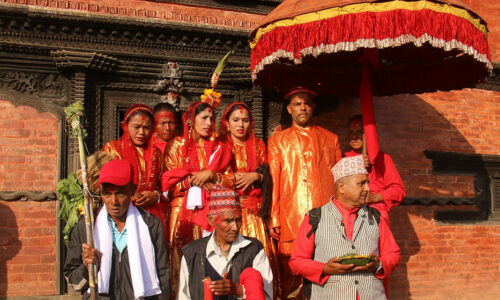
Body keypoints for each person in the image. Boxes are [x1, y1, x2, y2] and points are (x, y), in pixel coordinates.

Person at [289, 156, 401, 299]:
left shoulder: (375, 217)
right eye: (362, 183)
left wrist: (379, 264)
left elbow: (393, 254)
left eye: (367, 182)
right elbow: (296, 262)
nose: (368, 188)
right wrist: (324, 268)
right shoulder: (314, 218)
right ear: (342, 187)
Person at [267, 87, 342, 299]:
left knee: (329, 269)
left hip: (327, 217)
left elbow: (339, 183)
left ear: (313, 108)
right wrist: (274, 217)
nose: (303, 107)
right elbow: (273, 180)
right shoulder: (277, 141)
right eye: (298, 104)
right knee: (292, 273)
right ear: (289, 109)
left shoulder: (331, 139)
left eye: (307, 103)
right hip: (292, 216)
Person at [63, 159, 170, 299]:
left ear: (132, 190)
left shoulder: (150, 225)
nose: (113, 202)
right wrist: (87, 268)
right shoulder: (86, 228)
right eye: (107, 194)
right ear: (100, 192)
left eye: (120, 193)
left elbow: (163, 276)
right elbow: (73, 280)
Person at [162, 101, 234, 299]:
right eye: (204, 118)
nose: (209, 122)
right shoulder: (176, 145)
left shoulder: (220, 148)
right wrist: (195, 180)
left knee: (211, 259)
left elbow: (229, 181)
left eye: (212, 118)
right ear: (191, 121)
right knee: (180, 259)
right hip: (182, 212)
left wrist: (212, 174)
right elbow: (168, 184)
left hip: (212, 211)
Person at [218, 102, 280, 296]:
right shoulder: (220, 145)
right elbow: (216, 177)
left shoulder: (259, 145)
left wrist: (257, 176)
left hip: (254, 213)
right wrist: (234, 179)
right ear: (227, 123)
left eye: (245, 120)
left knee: (260, 257)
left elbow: (270, 174)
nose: (240, 125)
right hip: (229, 212)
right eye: (235, 120)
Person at [178, 185, 273, 300]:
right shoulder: (192, 254)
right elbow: (183, 297)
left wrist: (239, 290)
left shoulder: (253, 250)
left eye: (238, 220)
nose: (235, 227)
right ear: (211, 220)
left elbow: (267, 296)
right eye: (228, 221)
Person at [101, 104, 166, 232]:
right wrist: (126, 193)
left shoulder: (157, 153)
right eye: (136, 127)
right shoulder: (112, 149)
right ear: (126, 126)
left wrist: (155, 195)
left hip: (151, 215)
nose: (141, 132)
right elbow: (101, 185)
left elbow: (163, 184)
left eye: (146, 128)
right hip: (121, 213)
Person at [344, 115, 405, 222]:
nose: (354, 137)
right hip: (350, 216)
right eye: (351, 132)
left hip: (376, 216)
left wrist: (376, 197)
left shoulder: (382, 158)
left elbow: (398, 191)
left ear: (368, 134)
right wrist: (356, 164)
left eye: (359, 132)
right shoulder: (343, 158)